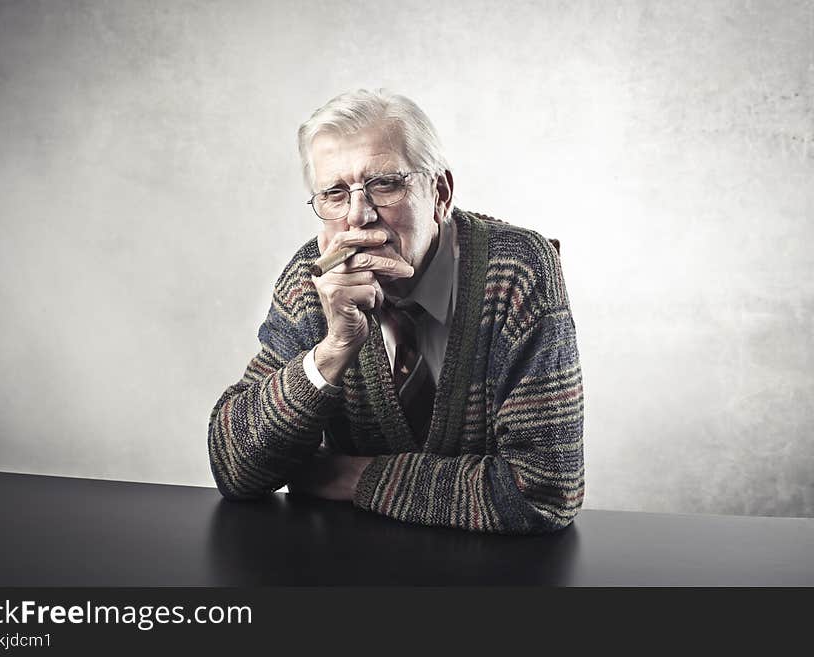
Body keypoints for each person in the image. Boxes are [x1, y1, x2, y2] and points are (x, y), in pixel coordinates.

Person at [208, 89, 584, 534]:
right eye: (334, 193)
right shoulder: (311, 283)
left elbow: (544, 494)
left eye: (384, 184)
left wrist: (354, 477)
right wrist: (333, 350)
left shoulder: (519, 271)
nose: (358, 216)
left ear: (440, 192)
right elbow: (235, 468)